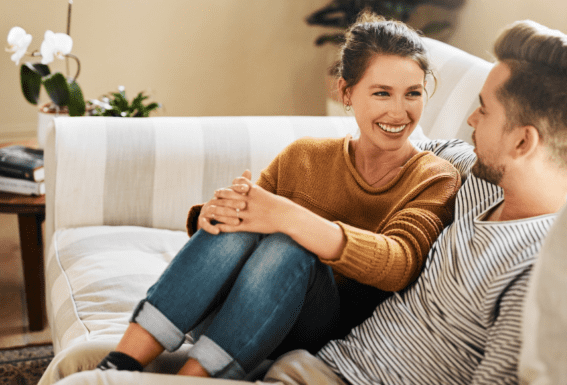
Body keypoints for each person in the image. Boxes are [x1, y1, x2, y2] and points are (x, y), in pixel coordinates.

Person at [95, 11, 461, 380]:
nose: (399, 111)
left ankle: (192, 379)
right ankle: (121, 363)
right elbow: (244, 226)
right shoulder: (303, 156)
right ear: (346, 92)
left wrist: (290, 218)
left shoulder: (434, 177)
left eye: (412, 93)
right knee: (249, 211)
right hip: (225, 318)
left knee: (291, 246)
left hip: (311, 331)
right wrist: (212, 213)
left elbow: (399, 263)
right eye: (382, 93)